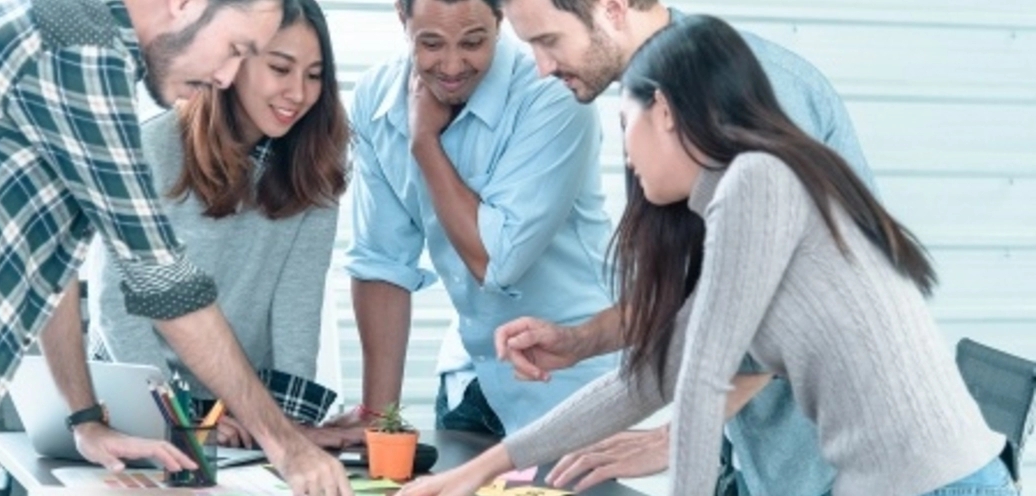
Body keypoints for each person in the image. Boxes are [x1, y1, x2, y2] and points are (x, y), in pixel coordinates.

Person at [398, 14, 1015, 496]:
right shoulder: (736, 197)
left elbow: (701, 380)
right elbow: (654, 377)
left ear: (663, 112)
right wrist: (481, 469)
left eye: (626, 124)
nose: (629, 160)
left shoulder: (757, 181)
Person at [0, 0, 353, 494]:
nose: (227, 75)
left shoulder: (81, 40)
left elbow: (52, 266)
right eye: (235, 49)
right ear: (184, 5)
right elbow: (162, 282)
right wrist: (286, 446)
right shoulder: (80, 54)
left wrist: (85, 417)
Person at [488, 0, 880, 493]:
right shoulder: (654, 97)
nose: (543, 69)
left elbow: (803, 305)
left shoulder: (747, 91)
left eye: (548, 41)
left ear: (611, 8)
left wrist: (677, 434)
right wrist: (582, 341)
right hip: (764, 465)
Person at [321, 0, 619, 438]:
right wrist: (378, 420)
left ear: (501, 22)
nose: (452, 65)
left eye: (474, 42)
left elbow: (495, 262)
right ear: (402, 21)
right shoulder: (376, 97)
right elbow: (382, 261)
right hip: (469, 380)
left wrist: (424, 142)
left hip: (567, 386)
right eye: (431, 43)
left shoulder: (552, 94)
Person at [84, 0, 359, 450]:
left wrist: (283, 428)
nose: (298, 92)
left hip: (240, 406)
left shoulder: (316, 167)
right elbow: (115, 308)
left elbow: (297, 310)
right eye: (280, 68)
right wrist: (176, 417)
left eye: (314, 75)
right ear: (233, 62)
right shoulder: (152, 148)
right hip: (138, 401)